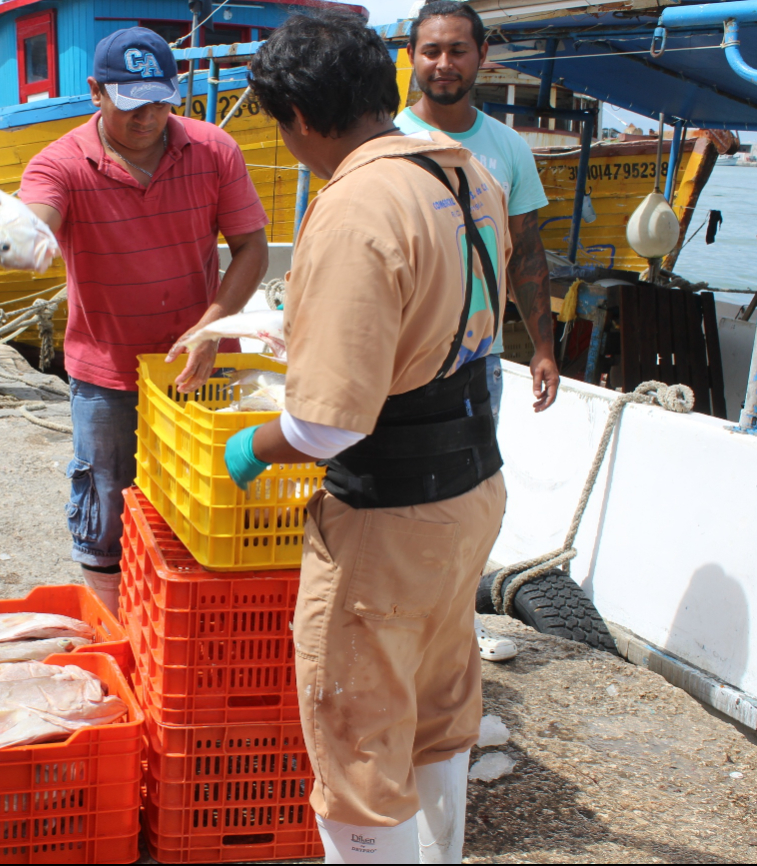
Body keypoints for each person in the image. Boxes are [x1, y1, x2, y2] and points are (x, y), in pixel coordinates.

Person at [225, 10, 510, 863]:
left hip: (387, 515)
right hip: (470, 491)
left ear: (302, 119)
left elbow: (324, 423)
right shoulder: (463, 173)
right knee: (438, 702)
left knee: (357, 733)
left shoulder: (352, 208)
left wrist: (255, 447)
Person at [0, 27, 269, 615]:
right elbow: (34, 224)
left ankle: (188, 617)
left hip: (199, 366)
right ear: (96, 91)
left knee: (209, 504)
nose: (149, 118)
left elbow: (252, 248)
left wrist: (212, 326)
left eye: (161, 102)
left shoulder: (215, 149)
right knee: (104, 505)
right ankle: (114, 626)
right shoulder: (59, 162)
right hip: (106, 373)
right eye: (132, 103)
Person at [398, 0, 561, 663]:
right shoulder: (386, 141)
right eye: (430, 50)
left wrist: (544, 346)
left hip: (478, 361)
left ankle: (455, 627)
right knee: (395, 502)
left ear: (481, 57)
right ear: (412, 57)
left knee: (466, 503)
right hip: (401, 361)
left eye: (456, 50)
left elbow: (526, 253)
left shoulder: (507, 147)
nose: (443, 63)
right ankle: (398, 631)